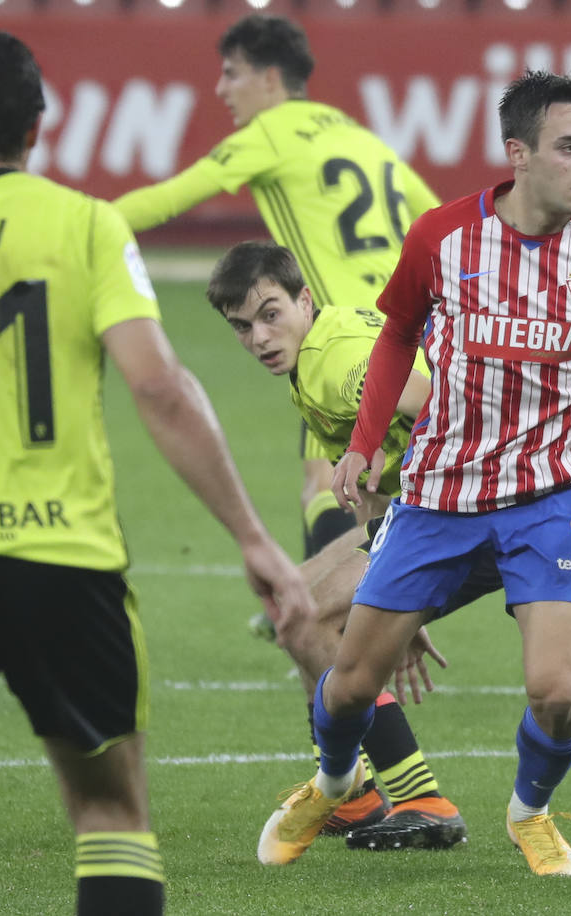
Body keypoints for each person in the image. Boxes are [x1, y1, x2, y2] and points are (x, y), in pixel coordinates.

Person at [0, 30, 312, 916]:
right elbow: (161, 388)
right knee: (110, 814)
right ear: (38, 124)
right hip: (64, 562)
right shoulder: (83, 224)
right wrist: (254, 536)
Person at [256, 72, 571, 876]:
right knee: (351, 685)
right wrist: (359, 444)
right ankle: (331, 780)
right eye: (569, 147)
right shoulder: (442, 238)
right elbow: (395, 337)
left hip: (552, 501)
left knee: (556, 691)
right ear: (518, 153)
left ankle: (530, 813)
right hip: (437, 499)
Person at [207, 241, 509, 852]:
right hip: (434, 512)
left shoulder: (330, 362)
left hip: (481, 510)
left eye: (271, 314)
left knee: (307, 617)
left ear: (303, 299)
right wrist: (396, 595)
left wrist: (413, 572)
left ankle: (416, 799)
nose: (259, 337)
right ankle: (363, 794)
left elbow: (427, 399)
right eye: (242, 326)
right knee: (297, 602)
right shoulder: (317, 349)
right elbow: (375, 478)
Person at [114, 14, 441, 564]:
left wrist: (74, 228)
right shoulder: (357, 134)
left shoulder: (269, 133)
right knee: (368, 482)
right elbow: (435, 219)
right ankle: (342, 614)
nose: (221, 89)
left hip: (338, 341)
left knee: (329, 486)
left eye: (231, 74)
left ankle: (328, 623)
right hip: (406, 328)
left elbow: (171, 197)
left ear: (269, 79)